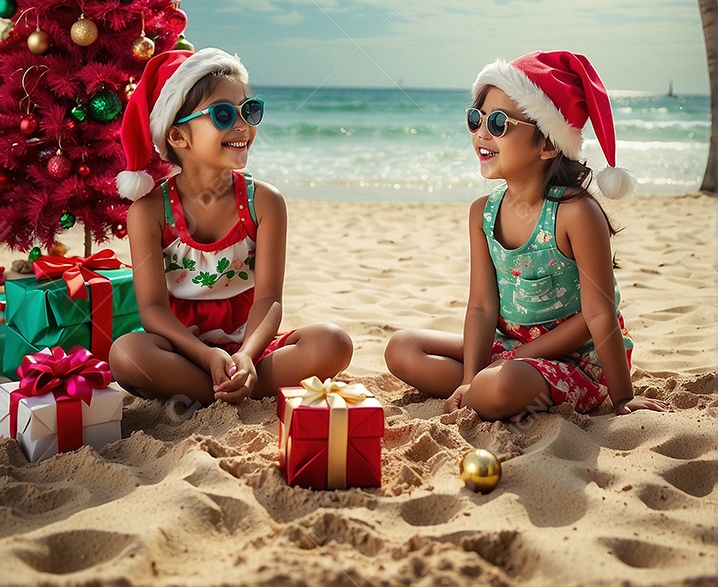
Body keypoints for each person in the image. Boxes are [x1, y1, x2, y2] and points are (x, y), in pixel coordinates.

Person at [385, 51, 668, 420]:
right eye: (477, 118)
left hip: (575, 361)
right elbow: (482, 308)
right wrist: (469, 381)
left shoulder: (575, 213)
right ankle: (483, 387)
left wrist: (622, 398)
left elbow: (598, 314)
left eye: (499, 122)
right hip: (508, 350)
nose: (482, 133)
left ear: (548, 144)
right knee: (401, 349)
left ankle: (494, 386)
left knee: (500, 386)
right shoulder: (481, 213)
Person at [110, 48, 352, 406]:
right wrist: (207, 356)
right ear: (178, 137)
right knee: (126, 354)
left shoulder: (265, 203)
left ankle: (228, 384)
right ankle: (235, 386)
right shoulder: (148, 213)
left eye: (249, 110)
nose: (243, 125)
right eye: (224, 115)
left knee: (334, 343)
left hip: (250, 341)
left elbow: (268, 299)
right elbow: (153, 311)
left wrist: (247, 356)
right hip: (185, 348)